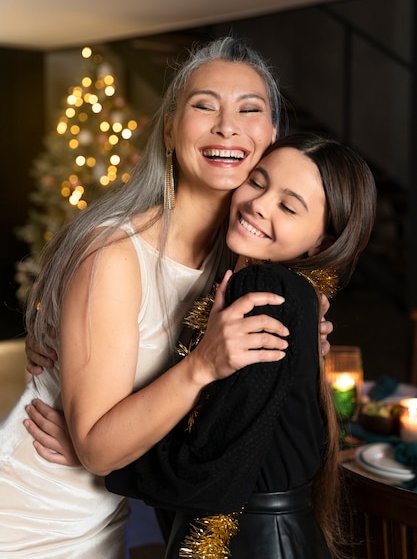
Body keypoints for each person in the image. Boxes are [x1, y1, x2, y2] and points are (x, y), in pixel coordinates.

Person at [0, 37, 314, 558]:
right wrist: (203, 365)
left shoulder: (243, 266)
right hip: (30, 523)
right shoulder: (116, 255)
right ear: (169, 128)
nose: (227, 126)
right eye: (204, 105)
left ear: (272, 137)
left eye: (249, 109)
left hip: (102, 521)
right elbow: (99, 449)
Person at [105, 133, 377, 559]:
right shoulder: (289, 295)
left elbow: (208, 477)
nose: (258, 205)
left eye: (288, 206)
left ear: (323, 243)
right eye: (257, 182)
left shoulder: (265, 290)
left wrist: (99, 451)